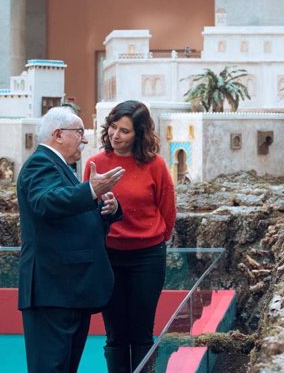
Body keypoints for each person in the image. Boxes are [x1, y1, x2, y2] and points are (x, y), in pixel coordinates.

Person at [17, 106, 126, 373]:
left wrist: (107, 213)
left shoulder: (60, 167)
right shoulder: (40, 164)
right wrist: (90, 189)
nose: (84, 140)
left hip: (67, 290)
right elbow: (46, 203)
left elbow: (72, 222)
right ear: (58, 134)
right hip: (52, 290)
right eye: (79, 133)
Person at [84, 100, 177, 373]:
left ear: (139, 134)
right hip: (108, 256)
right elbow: (83, 209)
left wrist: (155, 239)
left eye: (124, 131)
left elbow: (167, 209)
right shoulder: (94, 163)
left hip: (147, 257)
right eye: (113, 127)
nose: (115, 135)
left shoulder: (155, 165)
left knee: (141, 332)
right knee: (115, 334)